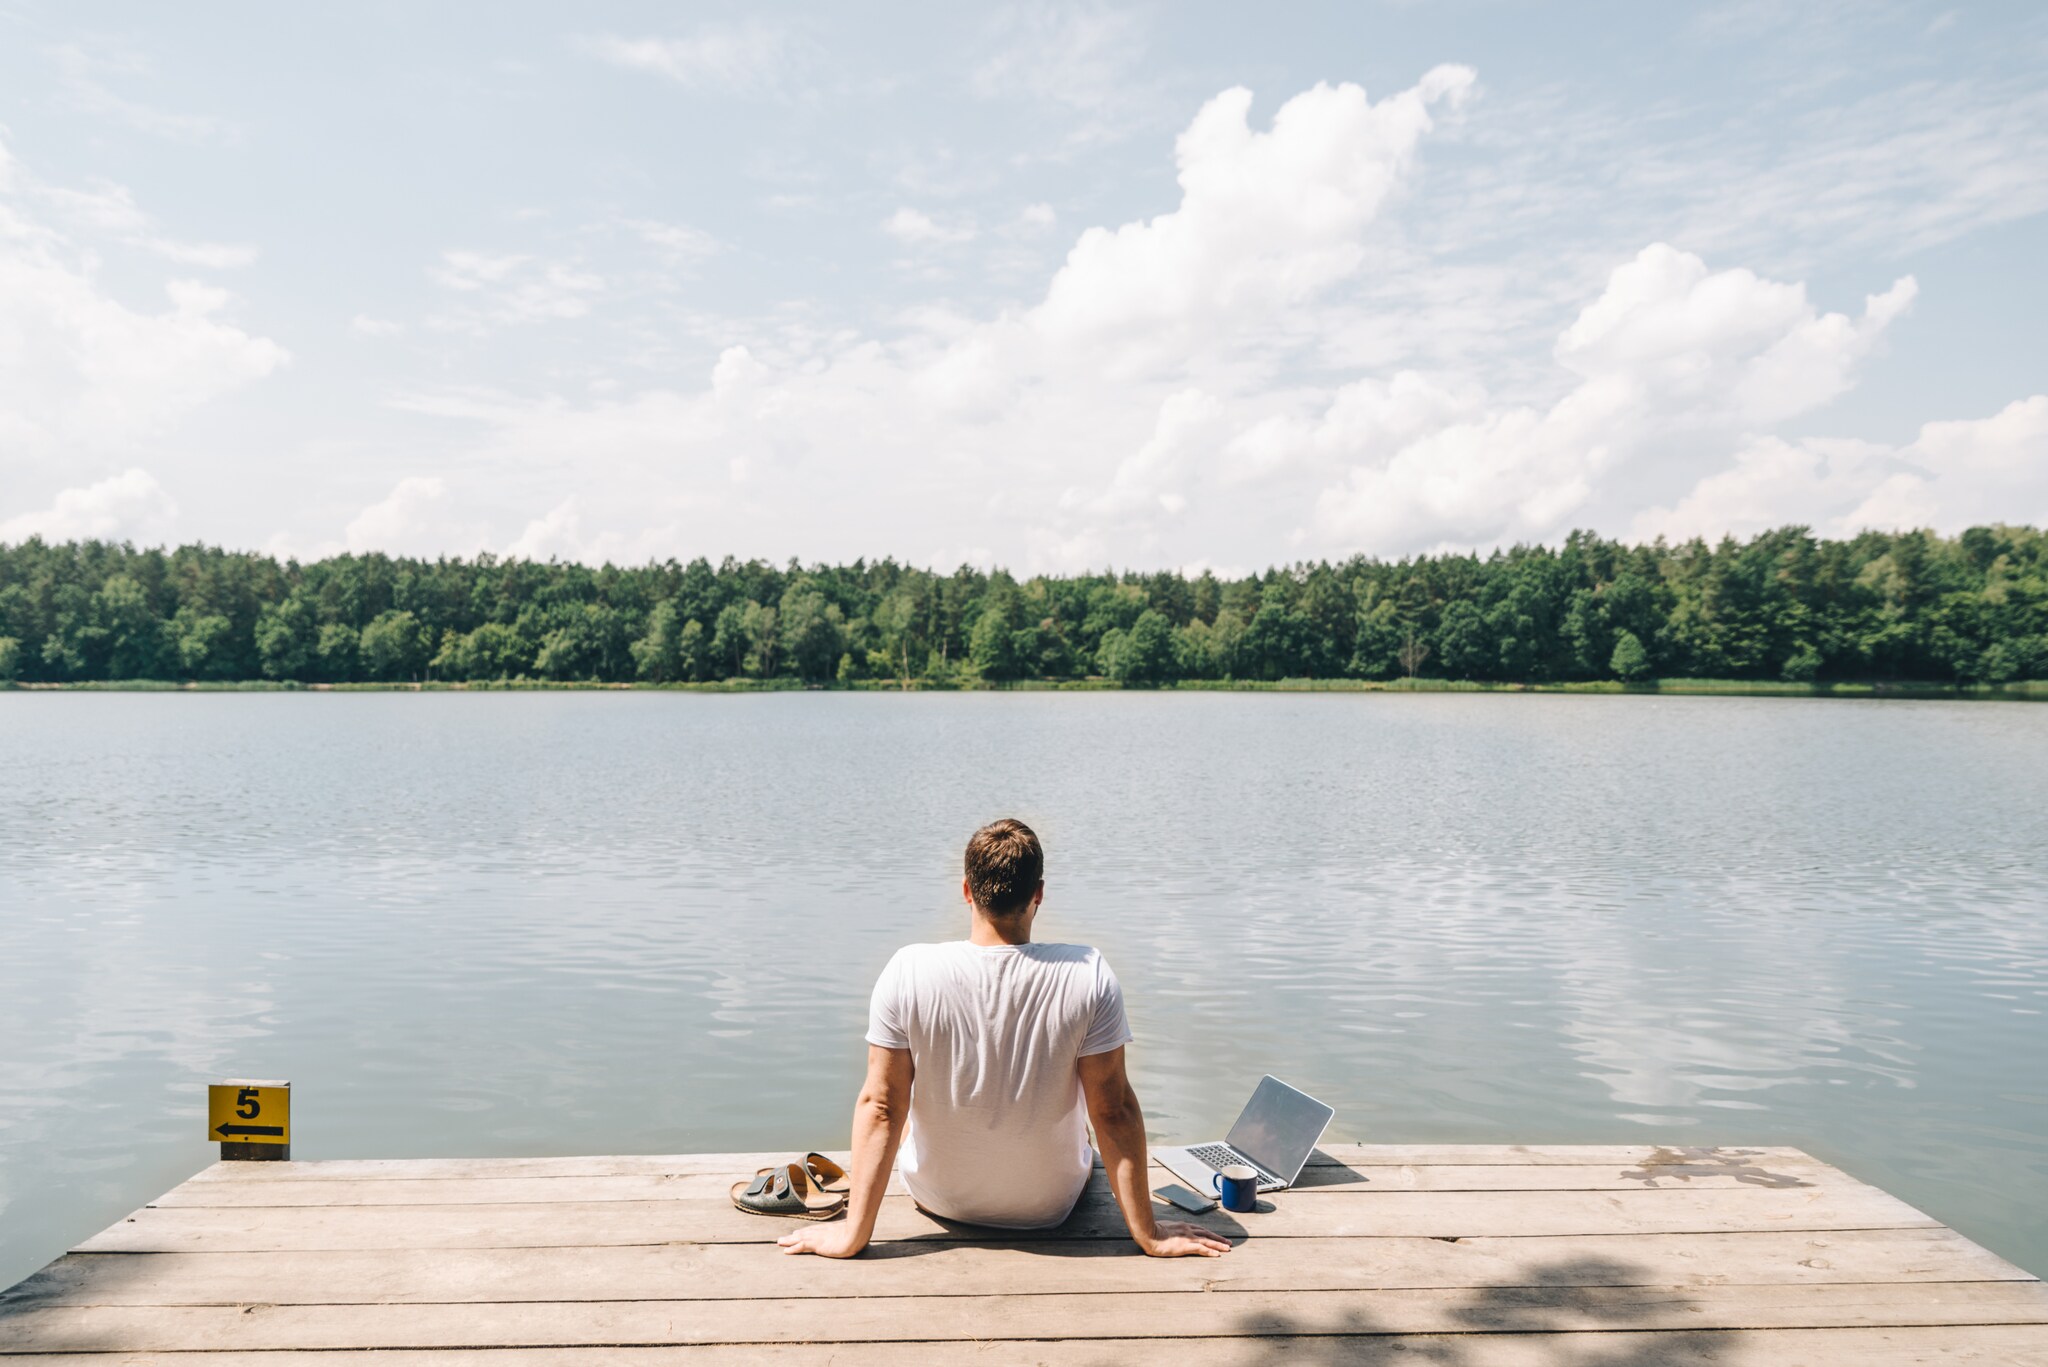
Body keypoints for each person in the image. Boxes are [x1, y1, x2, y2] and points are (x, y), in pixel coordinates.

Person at [778, 818, 1230, 1259]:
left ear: (966, 891)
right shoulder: (1087, 973)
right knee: (1088, 1125)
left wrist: (852, 1235)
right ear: (1038, 894)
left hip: (940, 1198)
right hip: (1051, 1205)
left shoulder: (907, 970)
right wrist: (1148, 1233)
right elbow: (1113, 1110)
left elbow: (881, 1106)